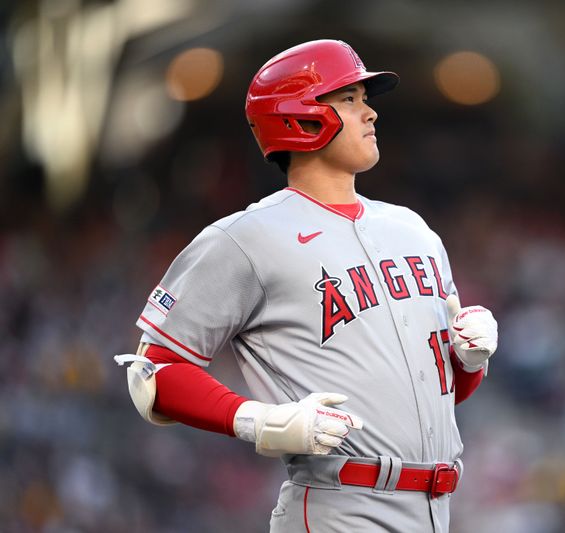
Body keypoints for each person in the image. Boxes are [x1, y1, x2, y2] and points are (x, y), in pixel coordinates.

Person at [115, 39, 498, 532]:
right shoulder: (245, 238)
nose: (370, 114)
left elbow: (435, 400)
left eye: (366, 99)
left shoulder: (414, 229)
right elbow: (152, 374)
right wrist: (260, 420)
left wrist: (469, 362)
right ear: (301, 116)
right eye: (350, 99)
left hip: (434, 509)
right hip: (339, 506)